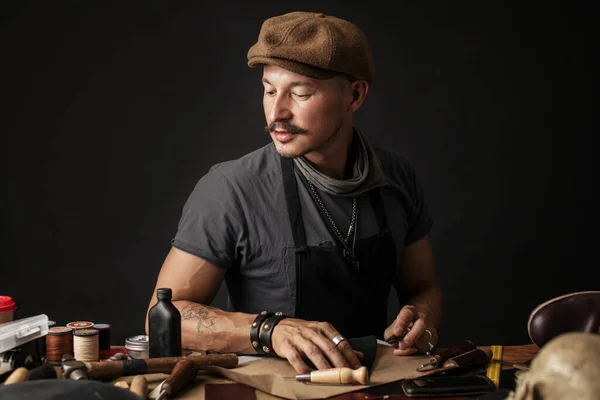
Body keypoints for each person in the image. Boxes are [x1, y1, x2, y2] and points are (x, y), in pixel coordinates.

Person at [145, 11, 443, 374]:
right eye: (269, 90)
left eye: (300, 93)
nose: (276, 112)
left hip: (374, 383)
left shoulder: (398, 177)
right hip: (274, 388)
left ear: (355, 95)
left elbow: (424, 287)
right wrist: (269, 330)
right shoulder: (231, 189)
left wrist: (424, 314)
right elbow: (164, 314)